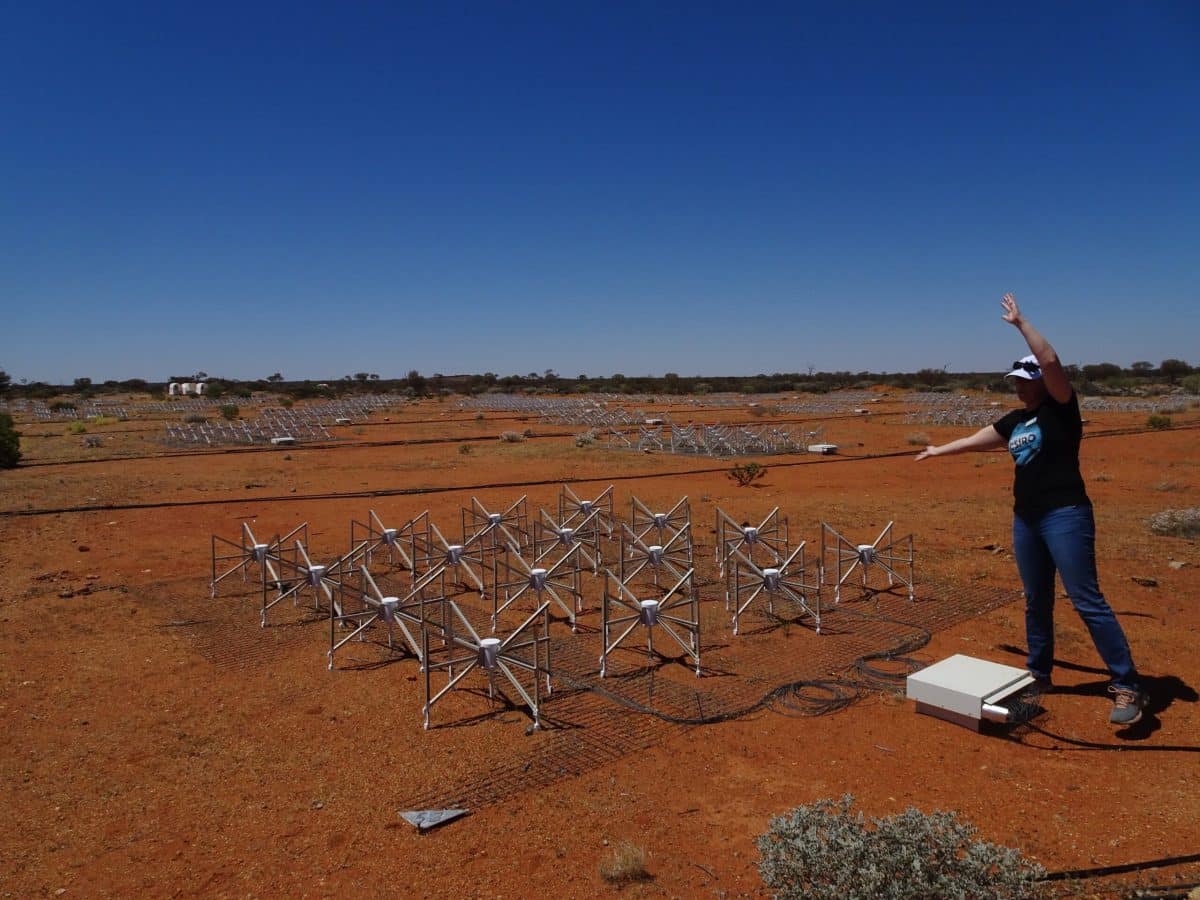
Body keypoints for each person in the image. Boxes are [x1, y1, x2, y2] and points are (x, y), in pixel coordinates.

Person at [915, 293, 1145, 725]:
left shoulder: (1061, 409)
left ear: (1042, 381)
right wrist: (937, 450)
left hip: (1066, 515)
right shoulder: (1014, 422)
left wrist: (1021, 324)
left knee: (1085, 599)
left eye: (1025, 378)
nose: (1019, 385)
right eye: (1015, 380)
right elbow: (975, 441)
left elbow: (1053, 360)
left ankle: (1127, 684)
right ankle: (1039, 673)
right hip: (1027, 518)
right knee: (1036, 599)